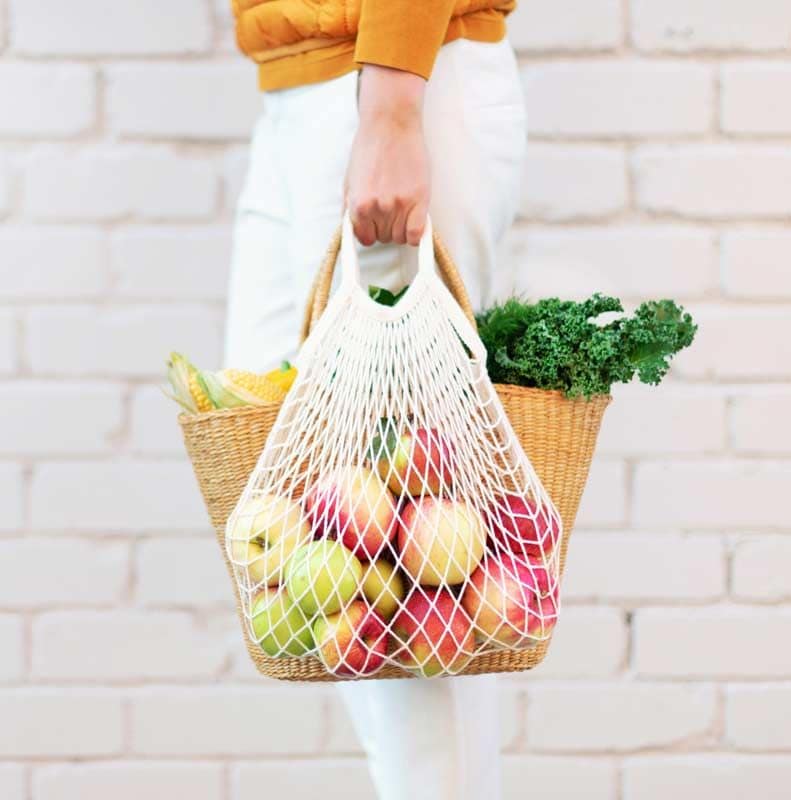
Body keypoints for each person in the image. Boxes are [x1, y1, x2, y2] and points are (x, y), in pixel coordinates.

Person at [225, 2, 526, 798]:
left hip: (392, 76)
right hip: (299, 82)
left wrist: (391, 107)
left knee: (412, 552)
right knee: (318, 527)